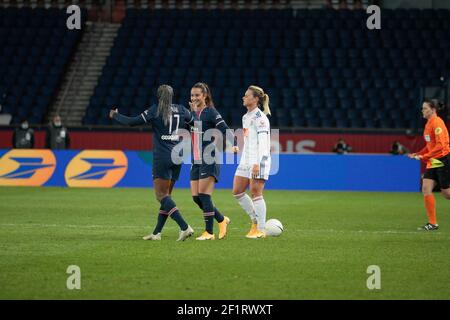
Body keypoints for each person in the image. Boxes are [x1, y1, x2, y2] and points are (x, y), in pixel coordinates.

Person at [109, 85, 195, 241]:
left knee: (161, 196)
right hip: (178, 156)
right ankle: (157, 233)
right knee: (167, 196)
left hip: (163, 156)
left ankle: (184, 227)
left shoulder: (155, 111)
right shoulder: (182, 109)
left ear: (158, 96)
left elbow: (132, 122)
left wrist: (115, 115)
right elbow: (195, 123)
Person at [189, 82, 236, 240]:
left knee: (204, 194)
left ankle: (209, 232)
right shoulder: (193, 113)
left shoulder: (211, 112)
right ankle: (222, 219)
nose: (194, 98)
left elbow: (226, 130)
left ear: (205, 96)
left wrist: (232, 145)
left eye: (197, 95)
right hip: (196, 158)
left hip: (209, 156)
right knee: (196, 197)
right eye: (192, 95)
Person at [232, 85, 272, 239]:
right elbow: (250, 139)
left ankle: (260, 229)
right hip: (246, 159)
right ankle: (255, 221)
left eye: (247, 95)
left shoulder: (260, 118)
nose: (244, 97)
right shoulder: (245, 117)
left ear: (255, 99)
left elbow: (263, 143)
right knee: (237, 191)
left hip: (258, 160)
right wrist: (238, 146)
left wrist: (258, 163)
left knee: (256, 193)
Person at [408, 99, 450, 231]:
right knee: (426, 188)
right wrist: (418, 153)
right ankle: (433, 223)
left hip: (442, 159)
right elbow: (429, 145)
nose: (422, 110)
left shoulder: (437, 123)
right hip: (433, 160)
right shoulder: (428, 124)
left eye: (425, 108)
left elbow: (440, 146)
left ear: (433, 109)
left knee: (446, 193)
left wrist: (425, 156)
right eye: (422, 108)